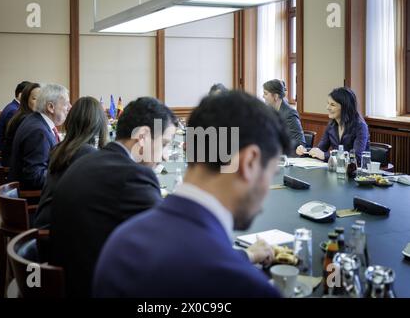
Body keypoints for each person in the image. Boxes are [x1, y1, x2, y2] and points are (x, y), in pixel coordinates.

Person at [93, 91, 291, 298]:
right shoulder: (247, 287)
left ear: (188, 148)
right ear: (249, 162)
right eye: (271, 173)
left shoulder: (119, 243)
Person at [49, 97, 178, 297]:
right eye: (165, 144)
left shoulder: (88, 160)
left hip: (68, 283)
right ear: (142, 136)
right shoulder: (132, 177)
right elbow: (171, 243)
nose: (166, 156)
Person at [33, 96, 109, 229]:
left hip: (47, 224)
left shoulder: (61, 147)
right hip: (57, 234)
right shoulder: (87, 154)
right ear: (98, 124)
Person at [8, 84, 71, 190]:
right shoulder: (38, 132)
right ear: (51, 107)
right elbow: (35, 177)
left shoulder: (35, 120)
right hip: (32, 199)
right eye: (66, 104)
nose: (70, 107)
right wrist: (67, 175)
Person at [296, 87, 370, 162]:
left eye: (332, 105)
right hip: (337, 169)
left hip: (355, 171)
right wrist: (305, 151)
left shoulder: (360, 126)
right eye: (328, 103)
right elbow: (320, 149)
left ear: (345, 107)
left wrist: (325, 155)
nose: (327, 107)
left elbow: (356, 158)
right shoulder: (331, 125)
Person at [1, 83, 41, 167]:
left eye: (41, 99)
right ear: (26, 100)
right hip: (14, 166)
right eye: (34, 99)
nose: (39, 102)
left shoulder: (23, 114)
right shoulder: (24, 119)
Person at [263, 79, 306, 150]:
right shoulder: (268, 110)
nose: (263, 96)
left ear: (276, 96)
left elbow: (300, 143)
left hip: (289, 156)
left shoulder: (290, 113)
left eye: (266, 93)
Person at [0, 81, 31, 151]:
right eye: (29, 95)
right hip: (2, 151)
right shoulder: (13, 111)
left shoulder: (14, 107)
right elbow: (14, 137)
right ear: (20, 95)